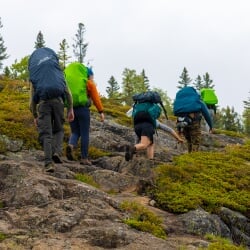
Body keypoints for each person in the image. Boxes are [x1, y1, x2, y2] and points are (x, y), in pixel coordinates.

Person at [28, 47, 74, 173]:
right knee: (59, 129)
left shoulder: (35, 73)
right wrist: (70, 108)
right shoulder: (57, 71)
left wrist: (35, 114)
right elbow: (67, 92)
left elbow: (32, 97)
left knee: (46, 133)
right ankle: (57, 153)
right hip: (58, 102)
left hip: (43, 104)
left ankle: (49, 164)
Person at [65, 66, 105, 165]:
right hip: (83, 110)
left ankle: (71, 145)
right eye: (92, 76)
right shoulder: (88, 83)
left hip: (71, 109)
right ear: (88, 75)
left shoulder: (70, 83)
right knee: (84, 133)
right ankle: (84, 158)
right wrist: (101, 111)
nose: (93, 78)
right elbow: (96, 98)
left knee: (75, 132)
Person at [174, 87, 213, 153]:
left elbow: (179, 117)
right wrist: (211, 126)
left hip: (184, 124)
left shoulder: (182, 104)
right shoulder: (199, 102)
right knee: (195, 142)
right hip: (194, 124)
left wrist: (179, 130)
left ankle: (189, 156)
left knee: (189, 141)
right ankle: (193, 158)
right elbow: (207, 115)